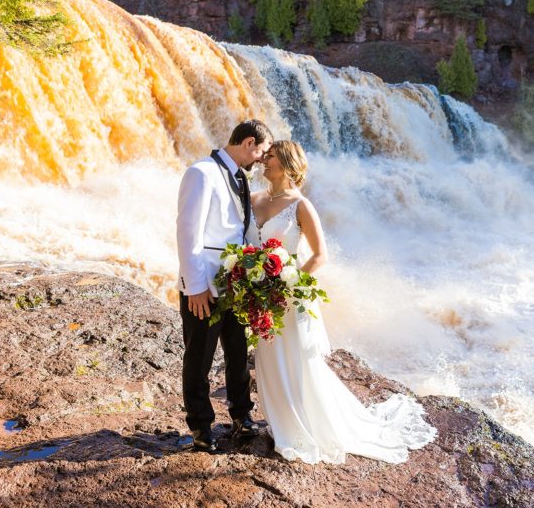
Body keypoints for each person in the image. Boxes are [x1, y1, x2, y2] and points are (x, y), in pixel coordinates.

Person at [247, 140, 436, 464]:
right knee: (268, 356)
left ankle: (304, 425)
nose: (265, 160)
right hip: (259, 290)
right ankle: (281, 423)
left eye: (271, 156)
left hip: (290, 294)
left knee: (297, 361)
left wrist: (288, 286)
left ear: (287, 163)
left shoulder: (301, 206)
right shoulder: (254, 198)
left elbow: (320, 256)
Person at [176, 120, 273, 451]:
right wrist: (195, 286)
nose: (260, 159)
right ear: (248, 143)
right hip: (205, 286)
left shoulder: (240, 178)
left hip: (236, 285)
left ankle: (241, 416)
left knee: (236, 353)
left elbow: (242, 231)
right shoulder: (201, 173)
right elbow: (188, 233)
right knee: (199, 358)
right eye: (260, 151)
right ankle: (201, 427)